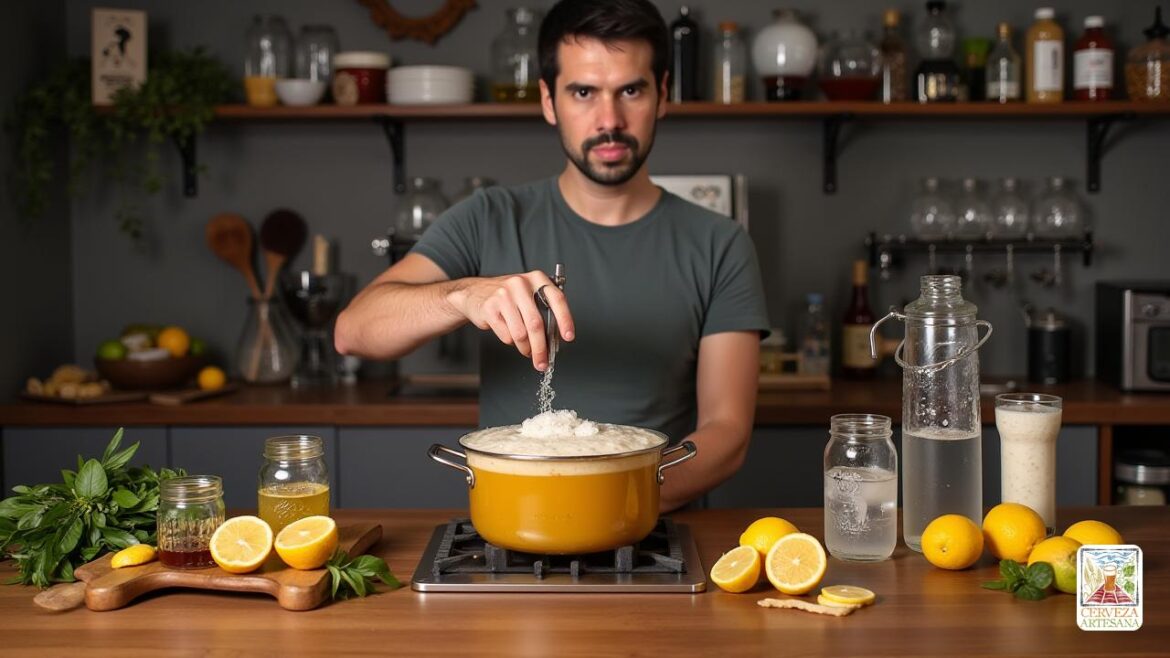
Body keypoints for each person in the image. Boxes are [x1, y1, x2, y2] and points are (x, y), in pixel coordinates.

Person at [334, 0, 769, 511]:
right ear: (548, 101)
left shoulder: (720, 243)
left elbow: (727, 432)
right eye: (583, 92)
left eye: (630, 90)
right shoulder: (489, 217)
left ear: (662, 95)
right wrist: (462, 295)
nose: (610, 120)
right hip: (513, 524)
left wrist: (607, 501)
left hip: (655, 529)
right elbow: (353, 331)